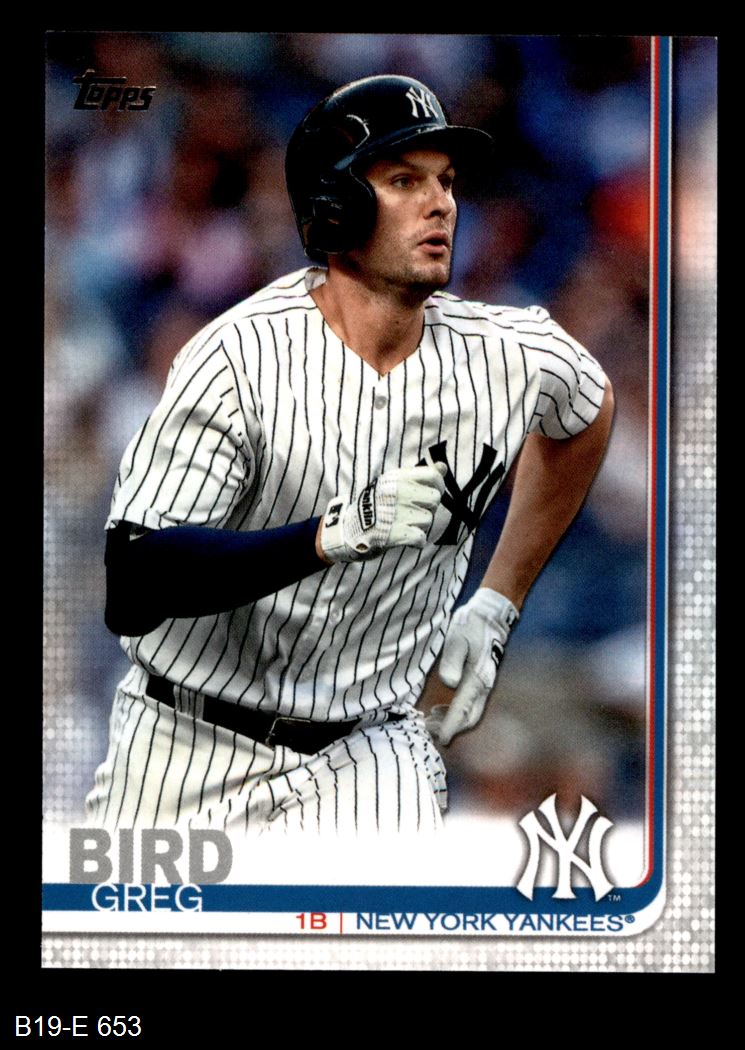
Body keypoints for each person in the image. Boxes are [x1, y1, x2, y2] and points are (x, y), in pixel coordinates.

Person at [86, 75, 614, 836]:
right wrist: (328, 535)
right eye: (404, 181)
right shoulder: (237, 356)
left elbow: (587, 409)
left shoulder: (507, 352)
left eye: (445, 181)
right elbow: (134, 581)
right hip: (187, 742)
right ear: (335, 207)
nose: (441, 204)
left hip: (369, 755)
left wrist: (497, 601)